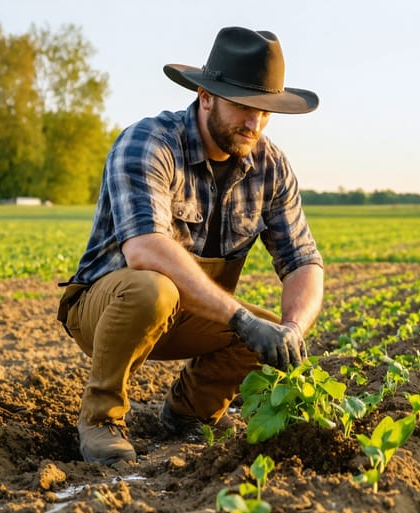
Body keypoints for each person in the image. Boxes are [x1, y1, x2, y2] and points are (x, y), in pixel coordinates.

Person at [56, 26, 324, 465]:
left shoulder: (271, 167)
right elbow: (145, 249)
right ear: (205, 96)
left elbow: (303, 261)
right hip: (108, 306)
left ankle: (189, 413)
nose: (254, 124)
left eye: (265, 112)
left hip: (193, 312)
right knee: (153, 289)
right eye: (242, 107)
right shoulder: (150, 142)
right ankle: (100, 418)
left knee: (268, 333)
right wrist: (237, 317)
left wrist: (292, 329)